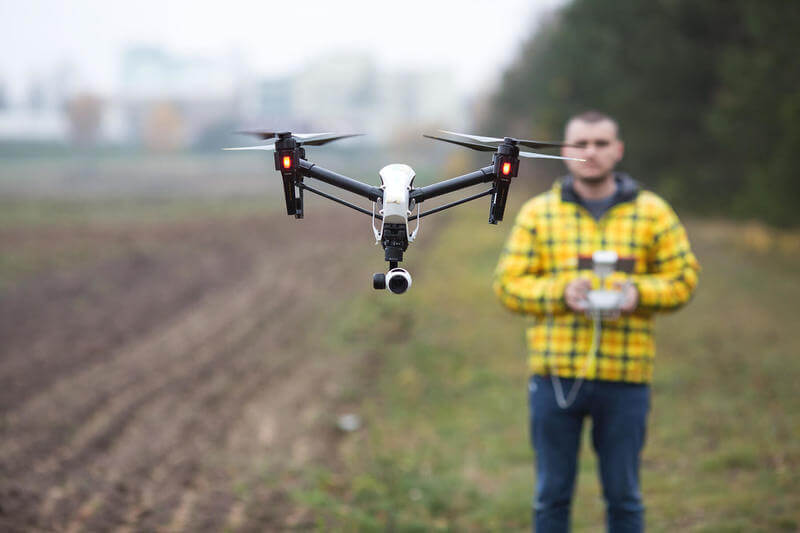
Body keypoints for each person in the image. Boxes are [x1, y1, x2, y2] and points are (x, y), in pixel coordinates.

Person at [493, 111, 700, 532]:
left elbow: (683, 279)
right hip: (555, 379)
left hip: (626, 377)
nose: (591, 152)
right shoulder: (538, 214)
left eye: (601, 143)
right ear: (565, 152)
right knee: (551, 497)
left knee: (625, 499)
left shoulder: (653, 213)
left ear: (618, 150)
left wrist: (640, 294)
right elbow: (508, 286)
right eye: (580, 143)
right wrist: (560, 293)